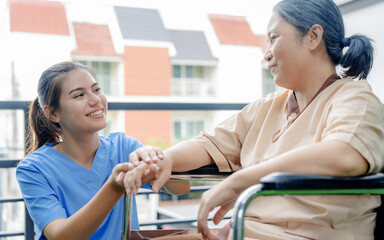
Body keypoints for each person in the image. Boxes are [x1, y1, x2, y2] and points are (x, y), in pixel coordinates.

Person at [123, 0, 384, 239]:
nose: (266, 54)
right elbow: (208, 143)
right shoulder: (267, 108)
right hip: (243, 232)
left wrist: (241, 180)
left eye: (274, 39)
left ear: (313, 37)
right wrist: (165, 159)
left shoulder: (355, 98)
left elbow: (345, 155)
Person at [16, 62, 189, 240]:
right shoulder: (33, 168)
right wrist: (114, 187)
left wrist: (160, 161)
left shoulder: (123, 146)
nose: (95, 100)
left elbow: (182, 187)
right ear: (53, 113)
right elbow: (61, 235)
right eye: (79, 95)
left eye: (96, 89)